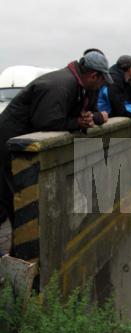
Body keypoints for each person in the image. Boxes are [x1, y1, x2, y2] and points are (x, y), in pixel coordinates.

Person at [0, 50, 113, 254]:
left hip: (19, 147)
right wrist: (78, 121)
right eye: (102, 80)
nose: (103, 85)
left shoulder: (81, 86)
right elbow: (48, 121)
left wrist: (88, 118)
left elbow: (88, 111)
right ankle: (21, 259)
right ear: (93, 76)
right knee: (13, 202)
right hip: (8, 147)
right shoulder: (60, 86)